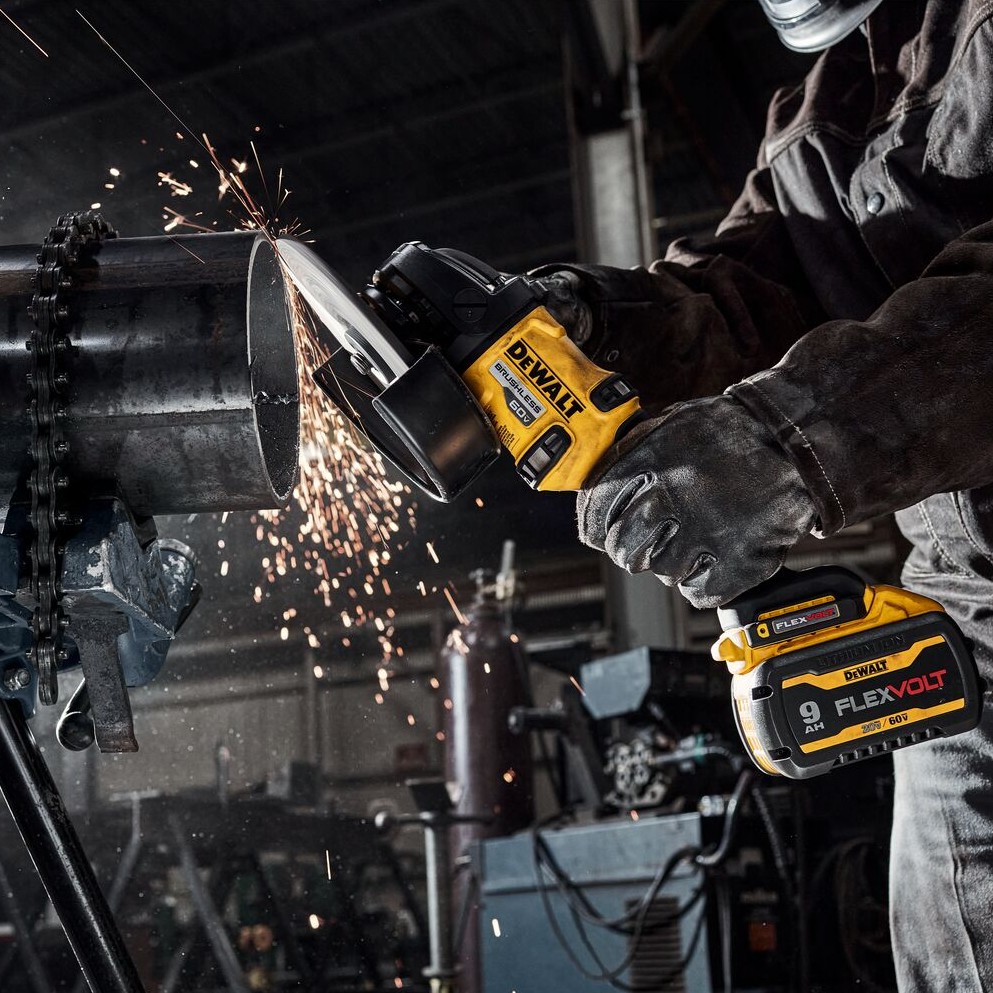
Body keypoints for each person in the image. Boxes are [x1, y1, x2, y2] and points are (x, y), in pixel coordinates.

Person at [543, 1, 993, 989]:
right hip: (976, 611)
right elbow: (743, 298)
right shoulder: (828, 111)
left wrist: (783, 449)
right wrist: (578, 323)